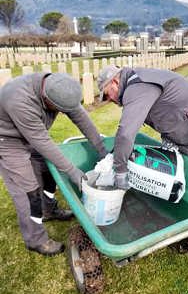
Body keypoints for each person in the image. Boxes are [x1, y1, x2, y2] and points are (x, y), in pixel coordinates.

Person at [97, 65, 188, 255]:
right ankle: (181, 220)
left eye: (108, 95)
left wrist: (120, 169)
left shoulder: (137, 85)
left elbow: (126, 133)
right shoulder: (135, 84)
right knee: (175, 179)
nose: (111, 101)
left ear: (115, 82)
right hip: (179, 133)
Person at [0, 73, 108, 256]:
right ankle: (35, 240)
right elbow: (41, 140)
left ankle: (48, 210)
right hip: (8, 141)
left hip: (32, 134)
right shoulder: (20, 100)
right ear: (46, 100)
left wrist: (102, 150)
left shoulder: (61, 89)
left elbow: (82, 118)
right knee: (28, 191)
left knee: (48, 172)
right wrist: (73, 171)